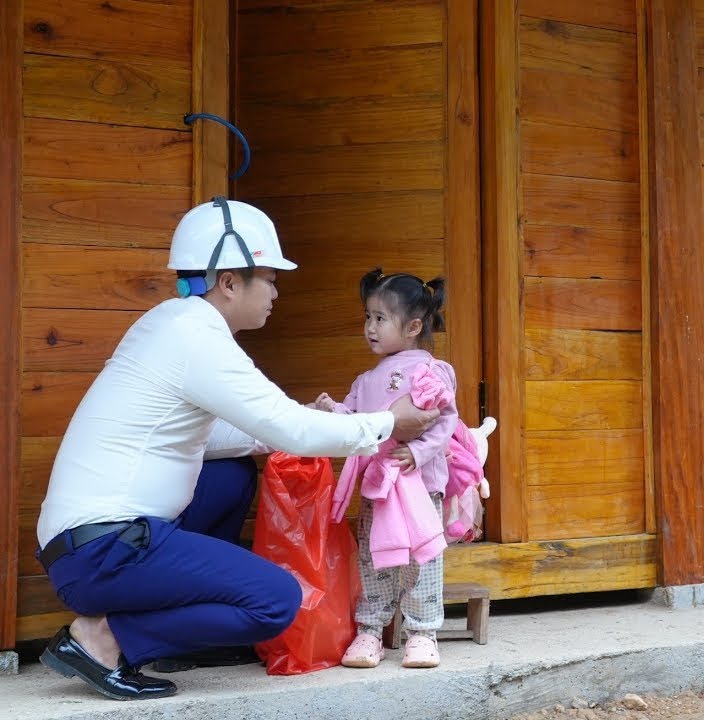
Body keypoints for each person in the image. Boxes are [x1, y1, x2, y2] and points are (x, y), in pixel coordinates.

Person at [35, 198, 443, 700]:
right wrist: (387, 422)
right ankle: (104, 639)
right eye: (269, 278)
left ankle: (169, 623)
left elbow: (229, 434)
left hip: (87, 545)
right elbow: (286, 427)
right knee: (276, 601)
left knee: (232, 477)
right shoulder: (198, 338)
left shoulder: (170, 322)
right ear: (229, 282)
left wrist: (304, 422)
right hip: (108, 549)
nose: (275, 291)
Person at [317, 269, 457, 669]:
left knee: (422, 558)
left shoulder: (432, 370)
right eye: (367, 317)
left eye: (380, 318)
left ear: (413, 327)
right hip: (378, 485)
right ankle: (370, 630)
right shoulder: (365, 380)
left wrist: (420, 452)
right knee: (373, 557)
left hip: (419, 484)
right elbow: (356, 420)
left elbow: (445, 420)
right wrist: (335, 411)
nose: (370, 327)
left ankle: (423, 632)